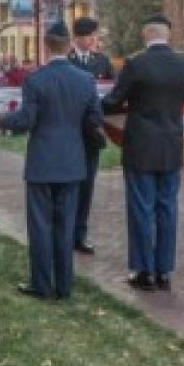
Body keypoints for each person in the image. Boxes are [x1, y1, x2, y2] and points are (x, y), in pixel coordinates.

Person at [1, 22, 105, 300]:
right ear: (69, 45)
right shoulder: (85, 80)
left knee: (40, 225)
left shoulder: (36, 80)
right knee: (66, 225)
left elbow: (26, 120)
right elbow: (94, 120)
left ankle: (42, 283)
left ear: (45, 47)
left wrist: (1, 119)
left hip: (42, 161)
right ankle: (64, 285)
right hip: (72, 162)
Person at [102, 14, 184, 293]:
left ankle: (143, 270)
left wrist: (98, 102)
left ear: (145, 34)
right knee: (167, 208)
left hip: (141, 145)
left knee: (141, 208)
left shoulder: (136, 64)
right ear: (168, 35)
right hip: (171, 143)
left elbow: (114, 100)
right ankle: (164, 270)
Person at [66, 16, 114, 255]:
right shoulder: (66, 61)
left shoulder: (102, 62)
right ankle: (65, 232)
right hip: (69, 133)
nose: (94, 39)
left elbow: (112, 95)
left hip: (91, 135)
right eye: (89, 36)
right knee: (68, 186)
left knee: (87, 187)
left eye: (95, 35)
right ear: (78, 38)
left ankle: (79, 234)